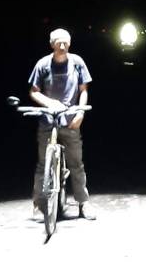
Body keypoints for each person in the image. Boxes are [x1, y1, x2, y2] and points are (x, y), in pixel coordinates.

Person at [28, 27, 96, 220]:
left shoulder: (77, 63)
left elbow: (83, 90)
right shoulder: (43, 64)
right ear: (52, 44)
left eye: (65, 42)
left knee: (76, 164)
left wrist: (80, 112)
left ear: (70, 43)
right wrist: (49, 103)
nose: (62, 46)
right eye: (58, 42)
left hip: (70, 120)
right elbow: (34, 91)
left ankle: (83, 203)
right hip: (48, 120)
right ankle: (40, 205)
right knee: (43, 164)